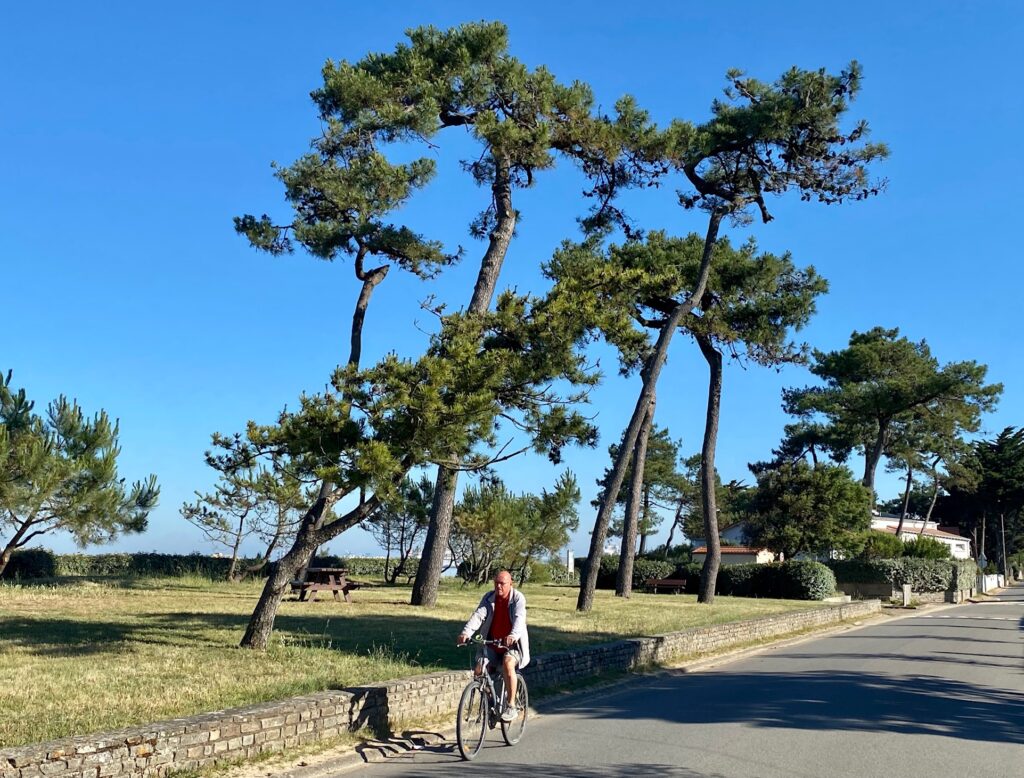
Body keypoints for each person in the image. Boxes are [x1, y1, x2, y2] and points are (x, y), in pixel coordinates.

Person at [457, 569, 531, 722]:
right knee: (479, 670)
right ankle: (490, 703)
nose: (498, 587)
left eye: (502, 584)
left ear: (511, 584)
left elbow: (519, 619)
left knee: (508, 663)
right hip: (492, 643)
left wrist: (512, 636)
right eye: (496, 583)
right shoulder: (489, 598)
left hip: (512, 646)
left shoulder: (518, 598)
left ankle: (511, 706)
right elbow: (478, 616)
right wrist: (466, 633)